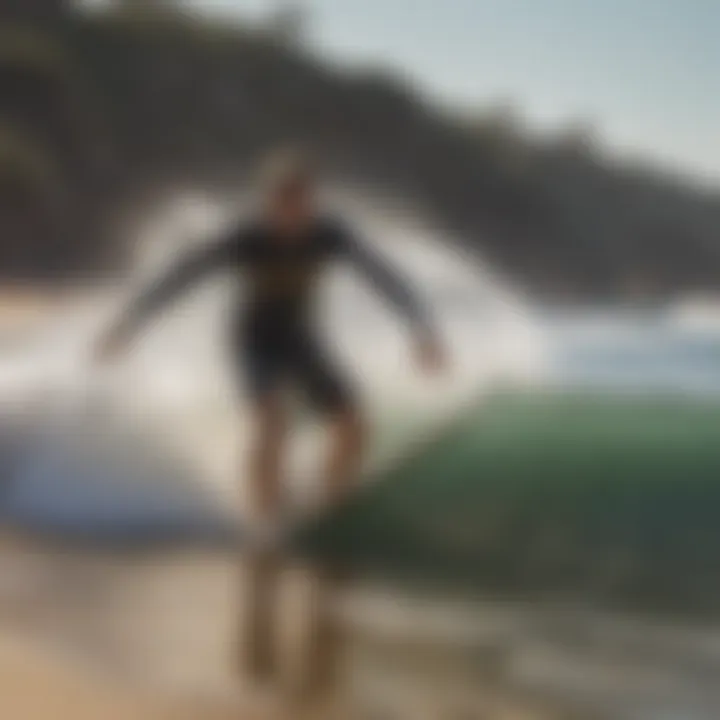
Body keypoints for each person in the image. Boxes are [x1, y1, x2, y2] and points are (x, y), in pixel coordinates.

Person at [95, 149, 446, 544]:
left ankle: (329, 508)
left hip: (301, 338)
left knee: (354, 425)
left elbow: (386, 277)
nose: (292, 210)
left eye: (300, 199)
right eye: (283, 199)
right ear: (269, 201)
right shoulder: (245, 238)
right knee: (271, 421)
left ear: (311, 201)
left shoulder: (329, 235)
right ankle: (264, 523)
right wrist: (129, 323)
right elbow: (182, 275)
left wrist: (422, 329)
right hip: (252, 340)